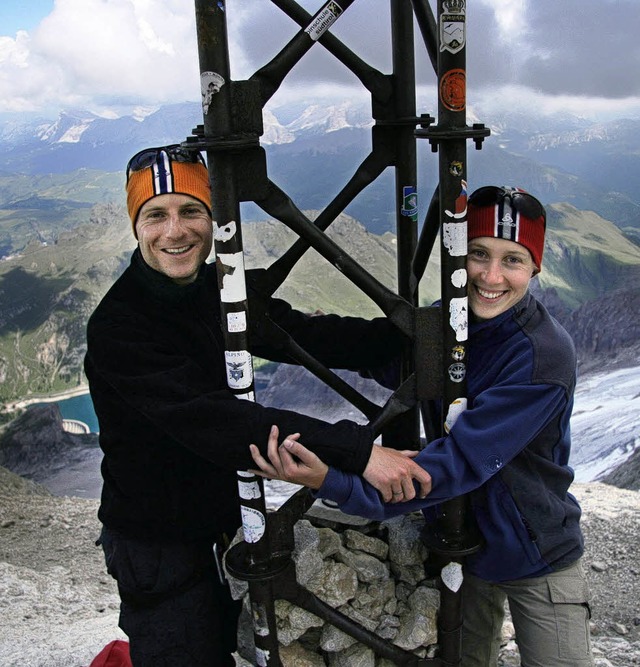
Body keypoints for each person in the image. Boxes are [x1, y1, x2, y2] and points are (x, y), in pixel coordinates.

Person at [84, 144, 431, 667]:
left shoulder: (214, 289)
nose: (174, 231)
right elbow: (221, 423)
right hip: (155, 542)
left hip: (217, 524)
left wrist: (406, 337)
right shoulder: (119, 327)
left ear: (211, 219)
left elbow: (303, 334)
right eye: (155, 215)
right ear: (136, 226)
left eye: (191, 211)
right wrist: (359, 453)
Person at [250, 185, 594, 667]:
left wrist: (335, 481)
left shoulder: (541, 358)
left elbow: (459, 463)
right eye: (478, 253)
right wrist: (268, 325)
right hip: (465, 550)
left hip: (536, 556)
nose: (491, 276)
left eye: (512, 260)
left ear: (535, 267)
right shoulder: (443, 327)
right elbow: (369, 348)